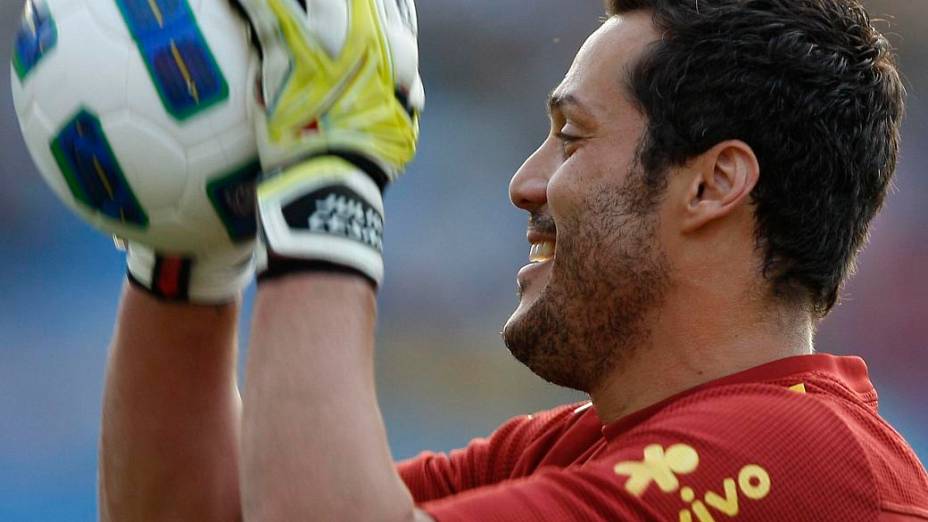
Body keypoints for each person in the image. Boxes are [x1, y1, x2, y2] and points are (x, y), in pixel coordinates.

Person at [98, 0, 928, 520]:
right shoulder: (575, 448)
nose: (525, 183)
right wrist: (186, 245)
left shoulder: (800, 460)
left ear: (713, 184)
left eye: (571, 136)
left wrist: (328, 162)